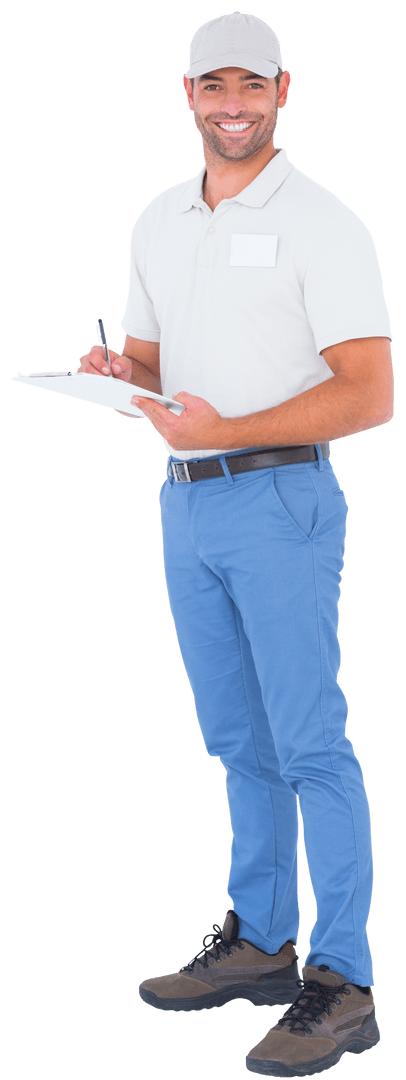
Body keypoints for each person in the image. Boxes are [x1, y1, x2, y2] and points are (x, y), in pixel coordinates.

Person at [78, 11, 394, 1076]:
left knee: (308, 741)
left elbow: (368, 394)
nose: (231, 107)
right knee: (233, 739)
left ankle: (342, 979)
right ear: (186, 96)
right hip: (185, 503)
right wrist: (124, 381)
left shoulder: (323, 223)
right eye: (212, 88)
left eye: (249, 88)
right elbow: (157, 367)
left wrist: (229, 430)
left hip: (280, 503)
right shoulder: (161, 219)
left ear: (283, 92)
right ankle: (260, 940)